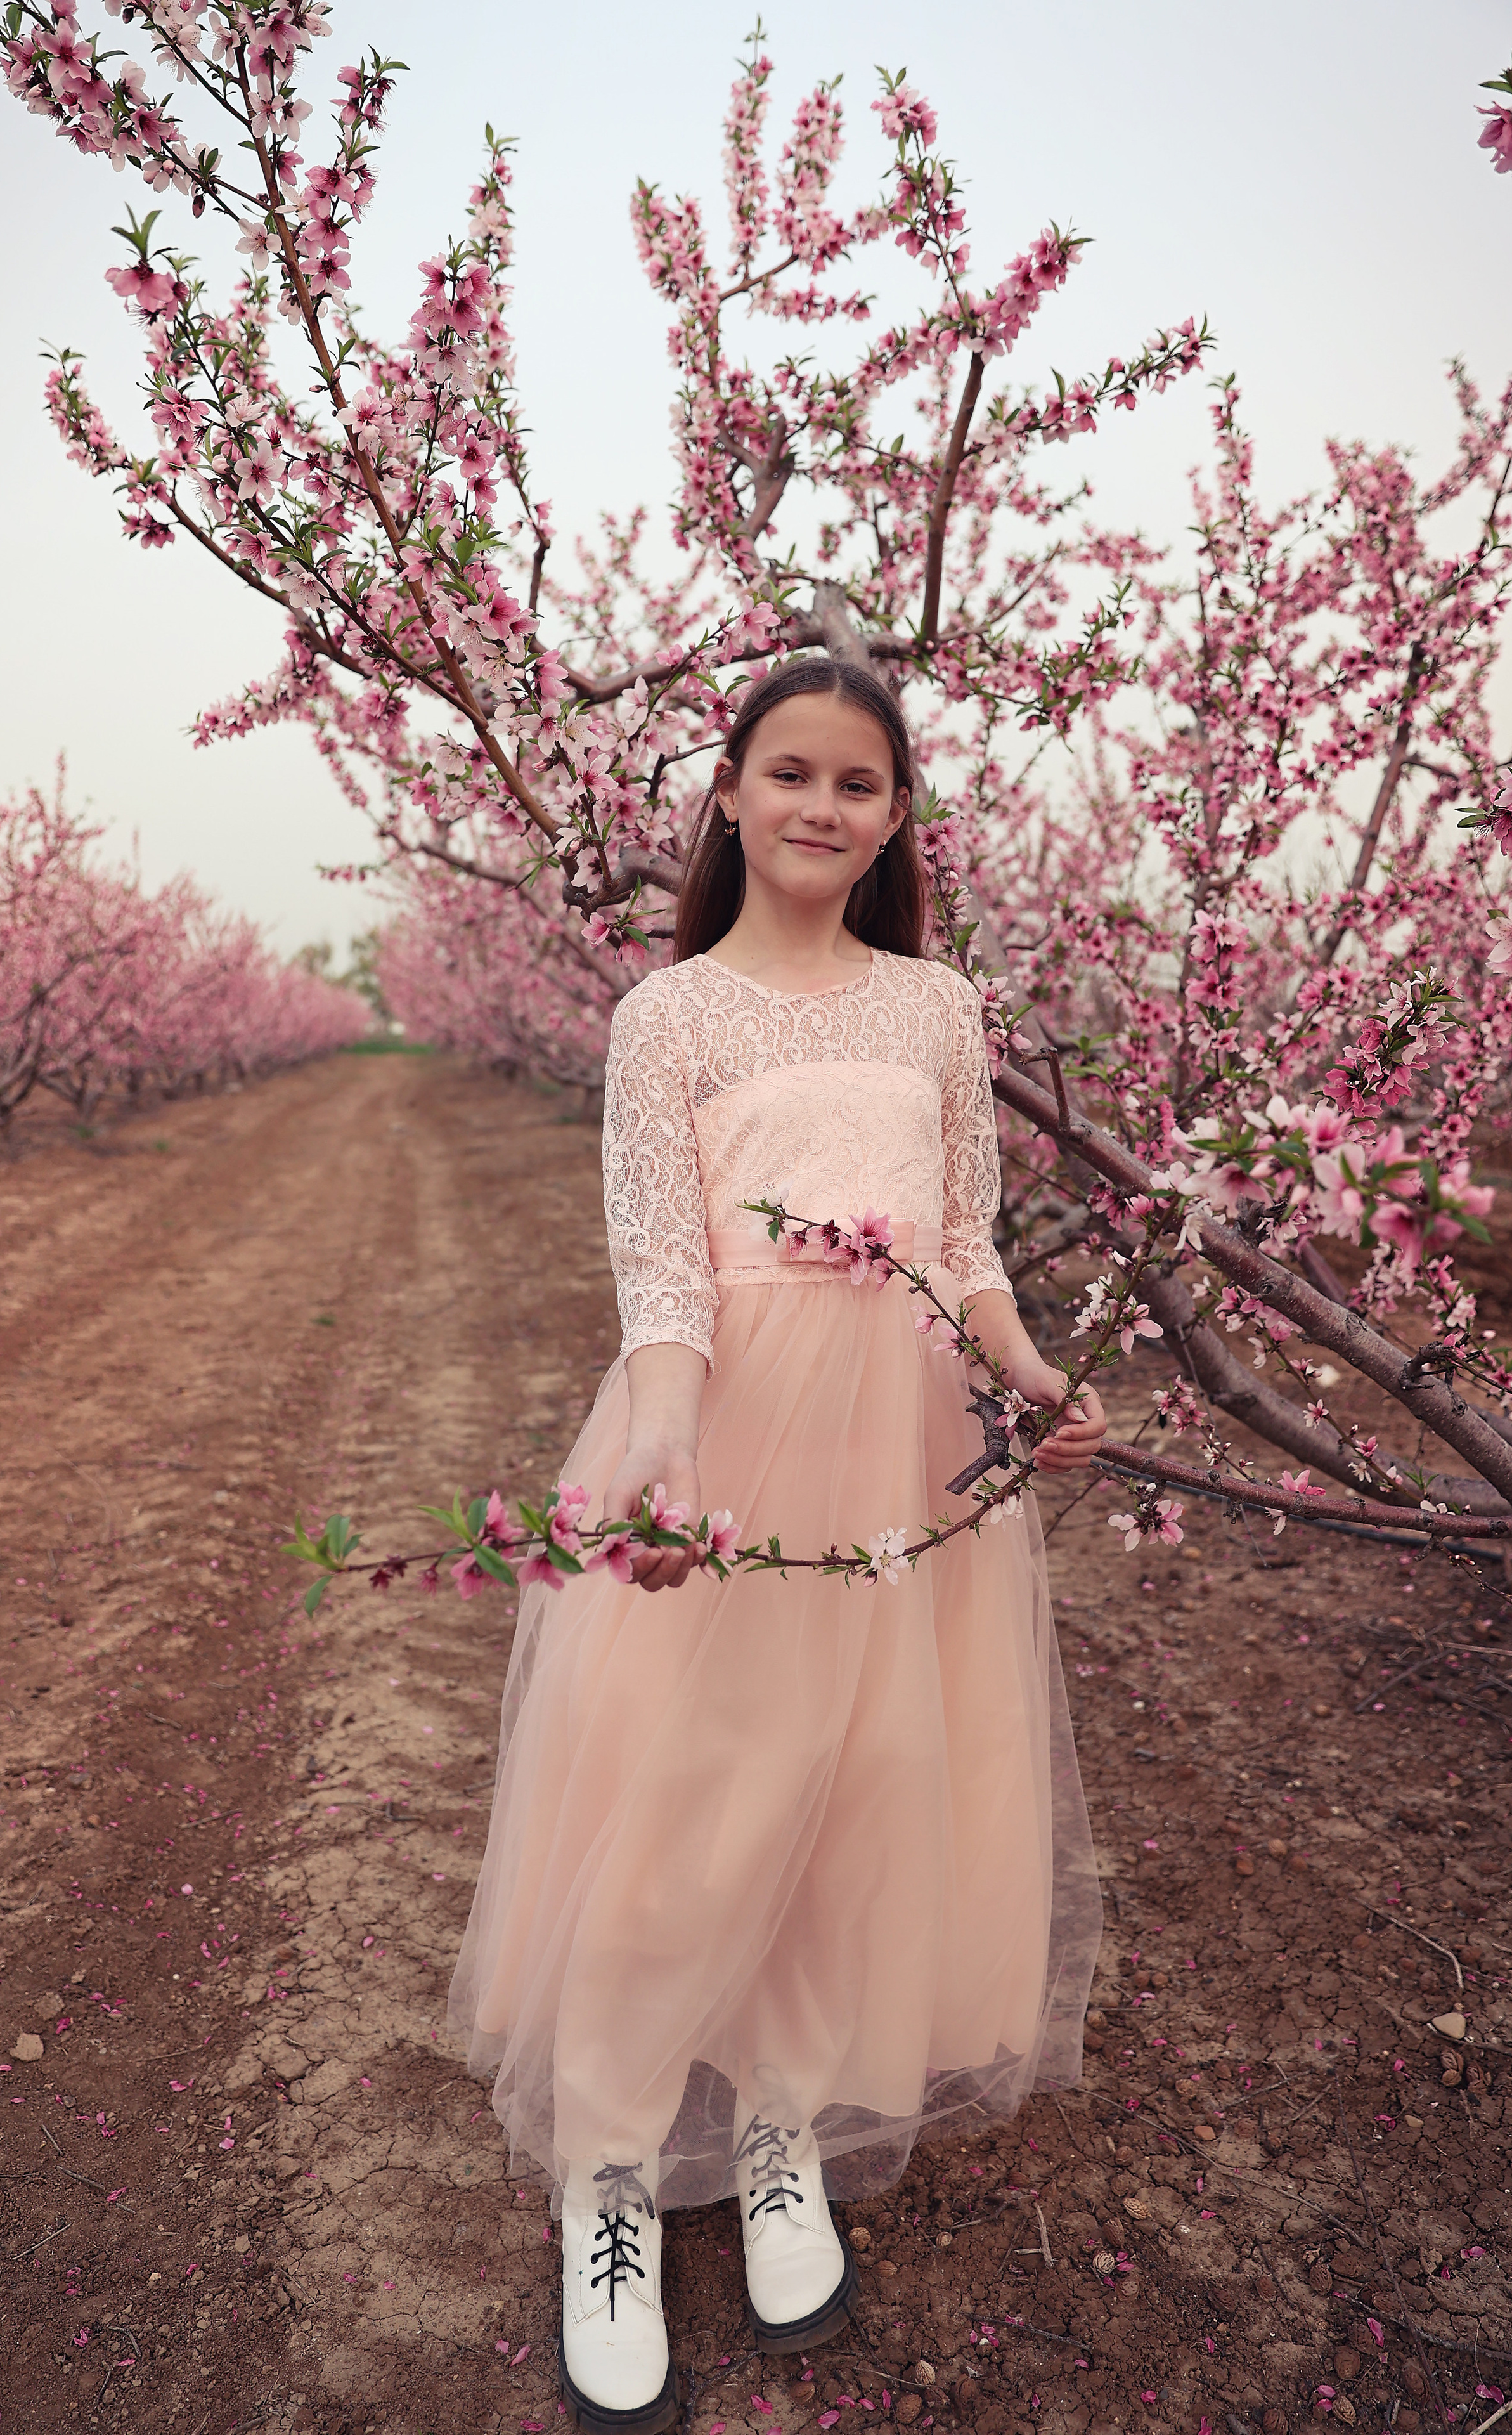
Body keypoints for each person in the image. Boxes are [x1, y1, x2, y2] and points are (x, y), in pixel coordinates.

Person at [446, 656, 1106, 2435]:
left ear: (897, 817)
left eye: (860, 785)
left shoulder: (936, 1010)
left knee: (866, 1782)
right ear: (728, 792)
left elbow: (963, 1241)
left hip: (903, 1460)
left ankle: (781, 2124)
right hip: (731, 1457)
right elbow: (664, 1276)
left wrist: (1029, 1375)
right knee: (691, 1802)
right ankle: (606, 2172)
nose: (823, 807)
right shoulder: (669, 1021)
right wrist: (663, 1452)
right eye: (791, 773)